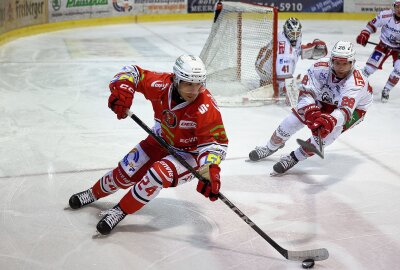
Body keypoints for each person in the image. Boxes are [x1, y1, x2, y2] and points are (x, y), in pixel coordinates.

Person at [68, 55, 229, 235]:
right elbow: (132, 72)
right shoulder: (161, 85)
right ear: (176, 79)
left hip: (189, 154)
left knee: (157, 174)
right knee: (125, 172)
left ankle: (119, 211)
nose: (193, 90)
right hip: (161, 139)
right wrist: (123, 91)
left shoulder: (205, 107)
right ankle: (93, 193)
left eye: (198, 84)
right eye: (187, 84)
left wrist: (210, 169)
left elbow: (215, 144)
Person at [249, 41, 373, 175]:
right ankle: (270, 147)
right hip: (324, 98)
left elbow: (344, 111)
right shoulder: (319, 67)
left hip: (354, 109)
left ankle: (294, 157)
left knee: (325, 137)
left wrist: (328, 121)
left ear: (352, 62)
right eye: (337, 63)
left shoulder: (356, 82)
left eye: (345, 63)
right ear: (332, 61)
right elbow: (306, 93)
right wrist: (311, 112)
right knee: (291, 121)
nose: (340, 67)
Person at [255, 17, 327, 100]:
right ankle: (267, 83)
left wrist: (308, 50)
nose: (295, 36)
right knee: (280, 87)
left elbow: (295, 50)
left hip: (263, 62)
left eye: (297, 33)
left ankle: (266, 83)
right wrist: (291, 88)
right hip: (265, 70)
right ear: (287, 31)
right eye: (292, 34)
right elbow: (282, 77)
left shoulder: (284, 35)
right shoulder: (284, 51)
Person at [356, 0, 400, 102]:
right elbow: (371, 25)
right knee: (369, 69)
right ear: (394, 6)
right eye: (397, 6)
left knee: (399, 70)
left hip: (398, 50)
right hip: (383, 46)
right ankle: (355, 85)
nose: (399, 9)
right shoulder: (385, 15)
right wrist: (365, 34)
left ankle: (387, 89)